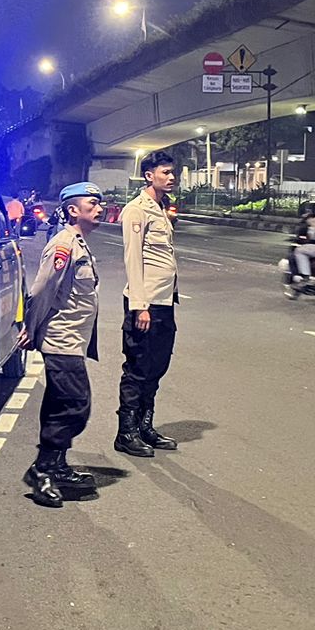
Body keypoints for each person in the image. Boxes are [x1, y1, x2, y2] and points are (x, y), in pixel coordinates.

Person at [19, 181, 103, 508]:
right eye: (92, 204)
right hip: (60, 339)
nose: (99, 209)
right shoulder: (63, 245)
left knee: (59, 404)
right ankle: (43, 468)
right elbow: (41, 291)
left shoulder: (78, 243)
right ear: (73, 210)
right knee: (76, 404)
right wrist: (30, 328)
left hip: (72, 339)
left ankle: (56, 466)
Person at [116, 151, 180, 458]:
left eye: (172, 172)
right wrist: (139, 306)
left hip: (164, 301)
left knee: (157, 366)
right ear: (149, 175)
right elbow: (133, 259)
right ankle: (126, 432)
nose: (171, 177)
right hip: (146, 303)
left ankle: (144, 426)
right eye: (165, 172)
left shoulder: (161, 208)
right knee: (138, 368)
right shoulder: (136, 210)